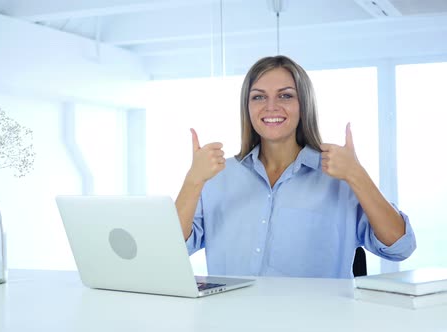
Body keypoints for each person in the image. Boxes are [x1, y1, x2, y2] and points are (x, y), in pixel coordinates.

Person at [175, 55, 416, 279]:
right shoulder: (217, 177)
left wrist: (356, 174)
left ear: (304, 104)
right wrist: (192, 181)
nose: (271, 106)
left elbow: (401, 247)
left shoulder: (338, 177)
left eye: (285, 95)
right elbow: (172, 251)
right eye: (258, 96)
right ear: (247, 107)